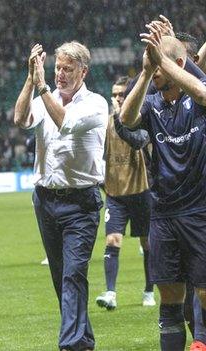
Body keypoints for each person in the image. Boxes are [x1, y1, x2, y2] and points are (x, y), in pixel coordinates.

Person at [13, 41, 107, 351]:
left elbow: (64, 122)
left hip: (81, 203)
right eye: (57, 68)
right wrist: (31, 79)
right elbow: (20, 119)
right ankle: (83, 340)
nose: (60, 74)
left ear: (84, 71)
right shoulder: (43, 96)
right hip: (46, 200)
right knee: (61, 277)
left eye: (67, 69)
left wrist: (41, 87)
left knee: (73, 274)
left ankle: (70, 345)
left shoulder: (96, 104)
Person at [120, 24, 206, 351]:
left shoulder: (198, 96)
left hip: (200, 209)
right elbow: (126, 119)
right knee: (169, 295)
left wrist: (165, 58)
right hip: (164, 213)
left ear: (177, 66)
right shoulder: (152, 100)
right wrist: (145, 73)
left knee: (204, 291)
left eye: (159, 65)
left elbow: (201, 92)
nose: (155, 71)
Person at [95, 76, 155, 310]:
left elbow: (138, 142)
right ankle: (110, 293)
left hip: (141, 192)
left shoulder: (141, 120)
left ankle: (149, 290)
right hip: (116, 195)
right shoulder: (105, 124)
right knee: (113, 240)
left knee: (147, 244)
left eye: (123, 94)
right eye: (115, 94)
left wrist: (122, 119)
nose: (118, 98)